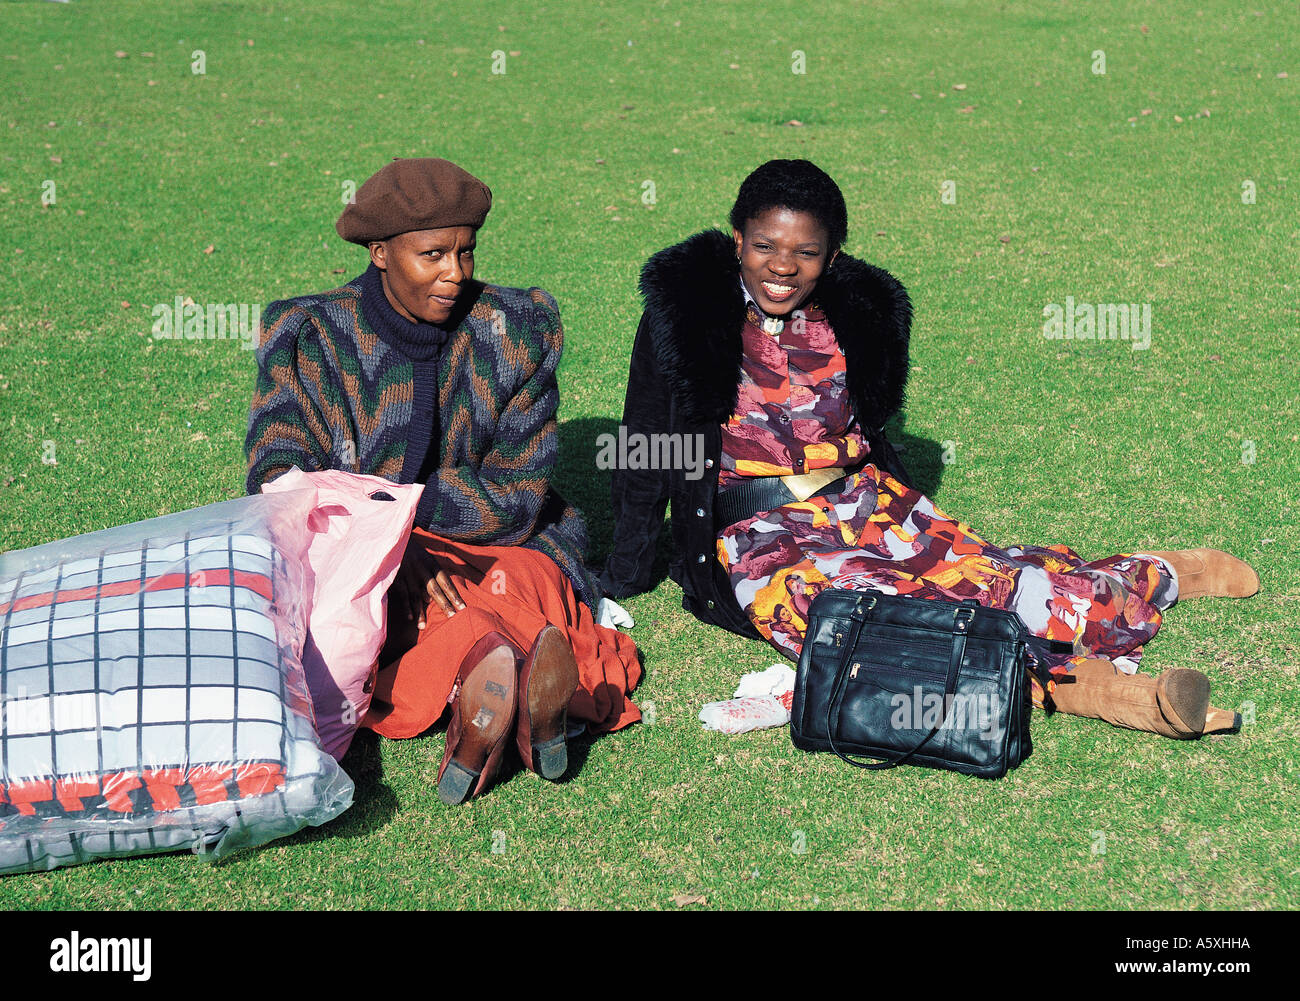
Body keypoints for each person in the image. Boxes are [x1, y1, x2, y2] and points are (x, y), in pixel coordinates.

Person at [601, 158, 1257, 740]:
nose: (781, 265)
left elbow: (873, 428)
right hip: (760, 533)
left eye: (804, 252)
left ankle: (1160, 573)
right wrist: (627, 569)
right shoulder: (685, 313)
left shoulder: (861, 312)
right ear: (737, 240)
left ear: (832, 256)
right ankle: (1117, 695)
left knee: (1007, 582)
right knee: (884, 620)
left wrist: (907, 518)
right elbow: (648, 444)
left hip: (863, 503)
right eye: (765, 245)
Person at [245, 157, 641, 803]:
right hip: (360, 548)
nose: (455, 273)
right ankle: (531, 693)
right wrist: (386, 549)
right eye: (432, 254)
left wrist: (398, 519)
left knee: (524, 578)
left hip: (493, 541)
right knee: (394, 605)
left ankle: (484, 692)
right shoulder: (309, 335)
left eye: (466, 251)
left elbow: (517, 494)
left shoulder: (514, 329)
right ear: (380, 252)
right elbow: (278, 473)